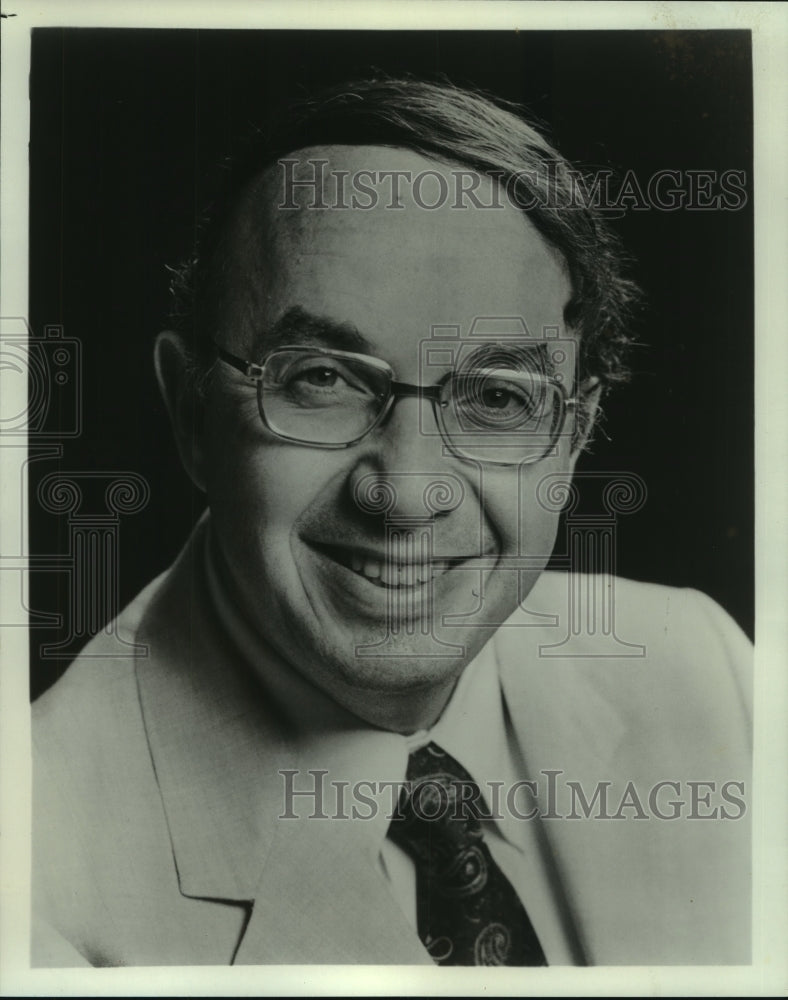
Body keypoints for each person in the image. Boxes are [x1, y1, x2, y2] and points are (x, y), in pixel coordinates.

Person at [32, 77, 751, 968]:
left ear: (574, 434)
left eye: (496, 396)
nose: (407, 492)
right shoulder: (35, 888)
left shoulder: (709, 677)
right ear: (191, 415)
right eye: (322, 378)